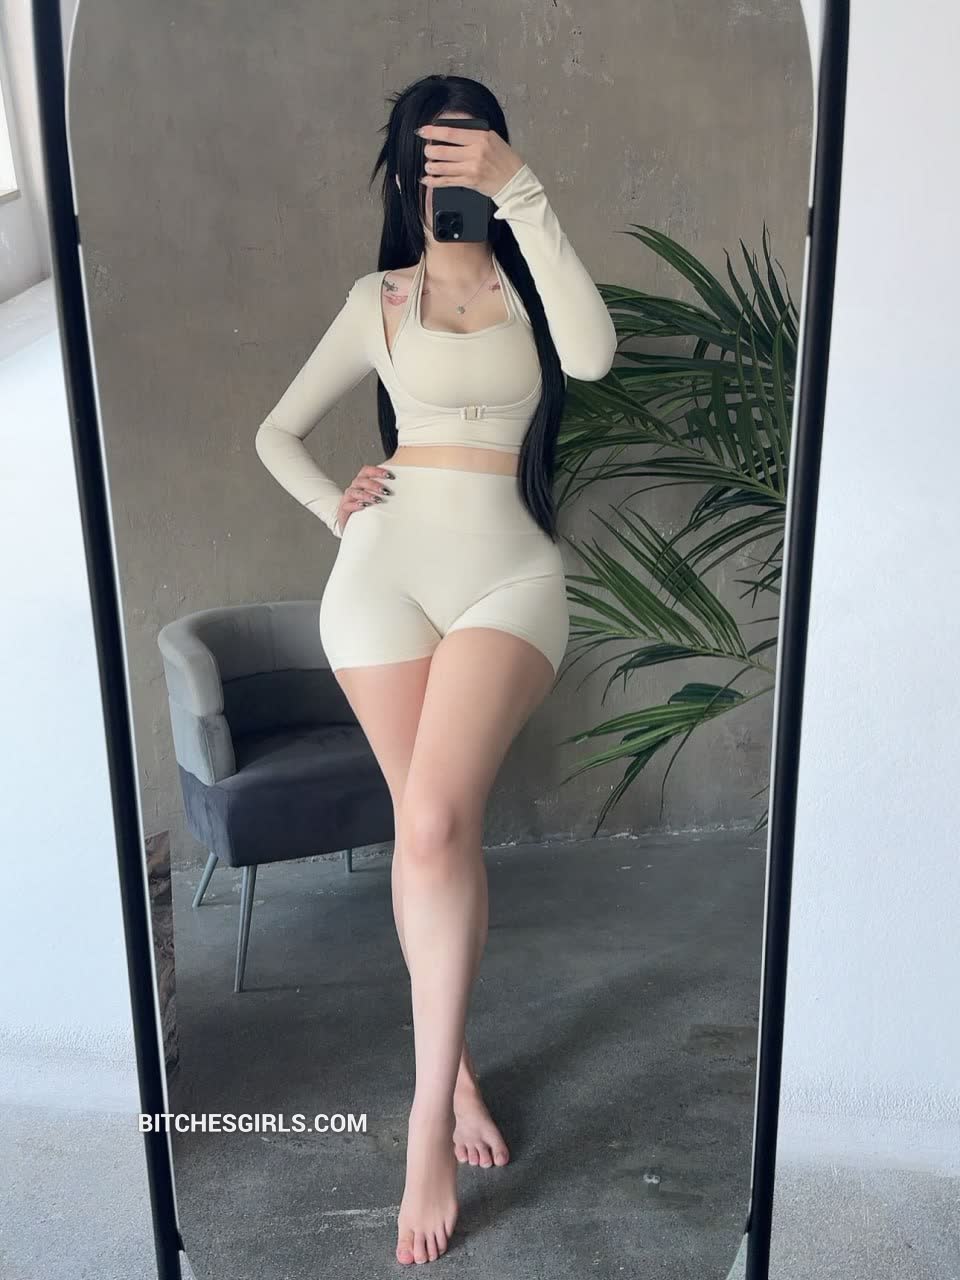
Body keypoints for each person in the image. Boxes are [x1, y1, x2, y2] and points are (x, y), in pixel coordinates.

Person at [255, 74, 616, 1266]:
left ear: (494, 162)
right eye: (429, 159)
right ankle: (450, 1074)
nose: (443, 178)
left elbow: (596, 357)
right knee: (427, 830)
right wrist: (336, 504)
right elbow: (274, 432)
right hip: (383, 575)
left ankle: (424, 1123)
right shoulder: (378, 300)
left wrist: (525, 193)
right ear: (403, 172)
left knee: (439, 820)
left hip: (510, 578)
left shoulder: (530, 282)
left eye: (467, 157)